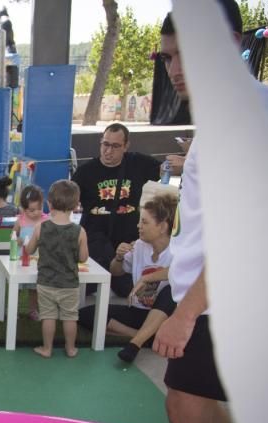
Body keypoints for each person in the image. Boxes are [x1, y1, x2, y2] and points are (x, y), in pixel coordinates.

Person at [152, 2, 268, 423]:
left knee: (186, 406)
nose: (178, 69)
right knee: (202, 403)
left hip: (220, 305)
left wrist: (185, 316)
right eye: (169, 57)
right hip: (216, 299)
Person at [79, 193, 177, 363]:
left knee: (171, 291)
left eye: (144, 222)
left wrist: (147, 278)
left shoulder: (178, 249)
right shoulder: (139, 245)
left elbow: (180, 272)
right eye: (140, 221)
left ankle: (135, 344)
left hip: (166, 316)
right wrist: (118, 257)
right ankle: (145, 337)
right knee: (84, 315)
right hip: (139, 312)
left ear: (162, 227)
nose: (139, 226)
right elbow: (116, 272)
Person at [71, 123, 161, 295]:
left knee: (126, 289)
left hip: (128, 238)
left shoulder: (138, 163)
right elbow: (66, 200)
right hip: (96, 237)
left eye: (115, 146)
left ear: (126, 146)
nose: (108, 151)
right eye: (105, 144)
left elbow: (166, 170)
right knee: (90, 286)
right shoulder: (85, 172)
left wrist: (186, 161)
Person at [25, 180, 89, 359]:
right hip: (69, 283)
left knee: (48, 316)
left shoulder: (40, 227)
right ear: (76, 205)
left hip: (46, 283)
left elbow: (29, 250)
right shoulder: (80, 231)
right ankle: (70, 348)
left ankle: (47, 348)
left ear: (49, 203)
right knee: (70, 317)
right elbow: (83, 258)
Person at [13, 184, 49, 320]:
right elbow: (13, 236)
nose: (36, 213)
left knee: (35, 288)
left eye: (39, 209)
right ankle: (13, 309)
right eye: (31, 210)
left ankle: (33, 310)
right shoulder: (21, 220)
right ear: (23, 209)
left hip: (39, 259)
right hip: (22, 258)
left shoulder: (46, 220)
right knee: (17, 286)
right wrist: (18, 240)